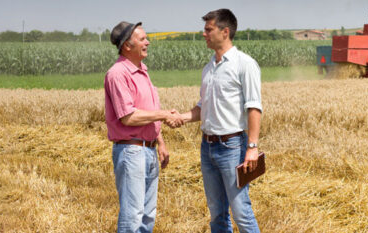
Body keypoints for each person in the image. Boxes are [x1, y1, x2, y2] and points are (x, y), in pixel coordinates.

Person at [168, 8, 262, 233]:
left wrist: (252, 147)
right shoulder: (208, 69)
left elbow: (254, 107)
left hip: (232, 147)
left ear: (225, 32)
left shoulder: (244, 64)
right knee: (217, 213)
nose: (204, 34)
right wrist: (182, 117)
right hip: (207, 146)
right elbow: (203, 108)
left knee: (241, 211)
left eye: (208, 29)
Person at [104, 21, 182, 233]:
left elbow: (148, 109)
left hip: (148, 150)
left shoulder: (142, 71)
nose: (148, 42)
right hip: (131, 151)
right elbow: (128, 117)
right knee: (132, 216)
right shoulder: (118, 73)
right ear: (127, 46)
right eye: (142, 39)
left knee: (147, 216)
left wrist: (161, 142)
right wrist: (165, 115)